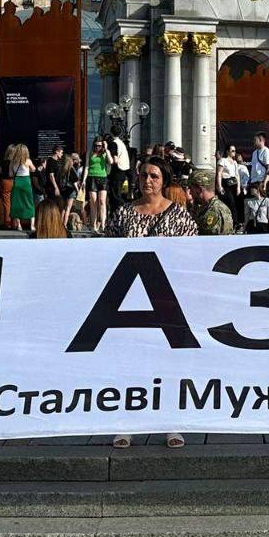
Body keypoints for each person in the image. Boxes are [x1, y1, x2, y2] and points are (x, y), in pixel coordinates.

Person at [104, 156, 197, 450]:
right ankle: (127, 423)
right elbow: (106, 249)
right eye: (144, 175)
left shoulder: (179, 214)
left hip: (167, 298)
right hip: (129, 299)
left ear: (164, 180)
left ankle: (172, 422)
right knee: (130, 361)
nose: (148, 181)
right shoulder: (123, 213)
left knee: (169, 362)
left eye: (154, 176)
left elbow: (193, 253)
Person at [189, 169, 234, 236]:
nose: (190, 193)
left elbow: (208, 239)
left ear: (199, 190)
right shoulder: (206, 208)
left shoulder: (214, 211)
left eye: (191, 189)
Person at [6, 143, 37, 232]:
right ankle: (32, 225)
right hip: (26, 182)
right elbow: (34, 169)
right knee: (29, 203)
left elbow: (10, 174)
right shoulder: (28, 161)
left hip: (17, 182)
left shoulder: (12, 162)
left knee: (17, 203)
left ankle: (19, 225)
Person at [85, 139, 110, 233]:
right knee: (93, 202)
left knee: (102, 201)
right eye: (95, 145)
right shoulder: (90, 153)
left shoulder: (105, 153)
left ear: (102, 146)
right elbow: (86, 166)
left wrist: (106, 149)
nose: (97, 147)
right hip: (91, 177)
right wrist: (83, 180)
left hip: (102, 178)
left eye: (99, 146)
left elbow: (111, 161)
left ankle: (103, 225)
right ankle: (94, 225)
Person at [218, 145, 242, 215]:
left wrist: (238, 187)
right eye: (232, 151)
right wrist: (220, 186)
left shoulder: (234, 162)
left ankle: (235, 219)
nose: (234, 152)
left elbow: (237, 175)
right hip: (226, 183)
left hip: (234, 183)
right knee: (230, 203)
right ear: (228, 152)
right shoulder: (223, 160)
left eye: (235, 151)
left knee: (236, 203)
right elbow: (219, 174)